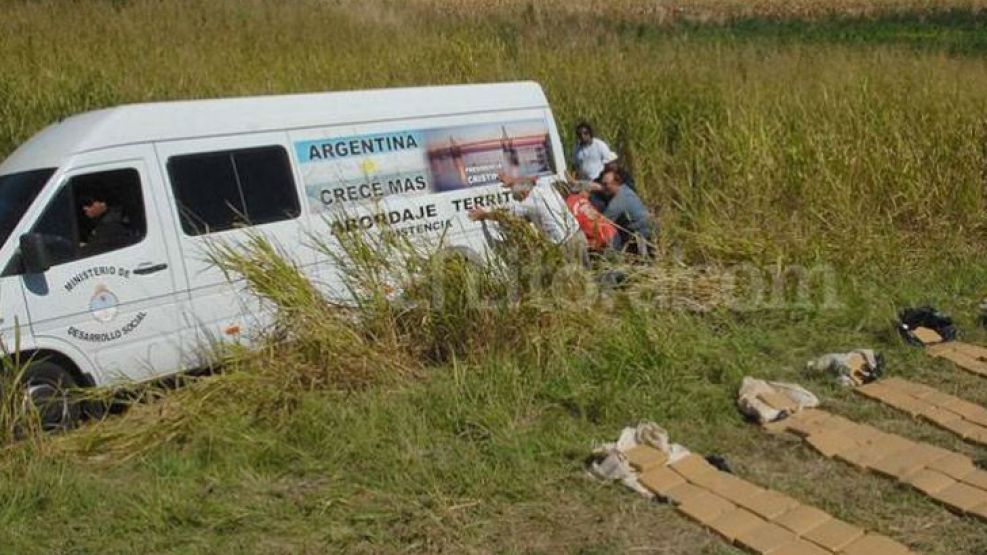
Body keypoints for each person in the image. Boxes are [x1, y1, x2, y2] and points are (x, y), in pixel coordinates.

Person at [468, 174, 587, 264]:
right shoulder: (545, 186)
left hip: (565, 244)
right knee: (586, 274)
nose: (518, 201)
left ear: (523, 193)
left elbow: (503, 215)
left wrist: (483, 215)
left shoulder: (528, 203)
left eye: (518, 198)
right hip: (578, 235)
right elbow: (534, 179)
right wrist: (513, 181)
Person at [599, 169, 655, 257]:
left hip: (642, 233)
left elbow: (602, 223)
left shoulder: (617, 202)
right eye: (602, 184)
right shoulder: (625, 189)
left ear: (616, 183)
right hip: (649, 225)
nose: (603, 187)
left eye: (605, 184)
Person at [565, 180, 617, 253]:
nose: (589, 195)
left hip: (602, 239)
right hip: (609, 233)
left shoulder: (569, 202)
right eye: (588, 192)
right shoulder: (584, 201)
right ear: (582, 191)